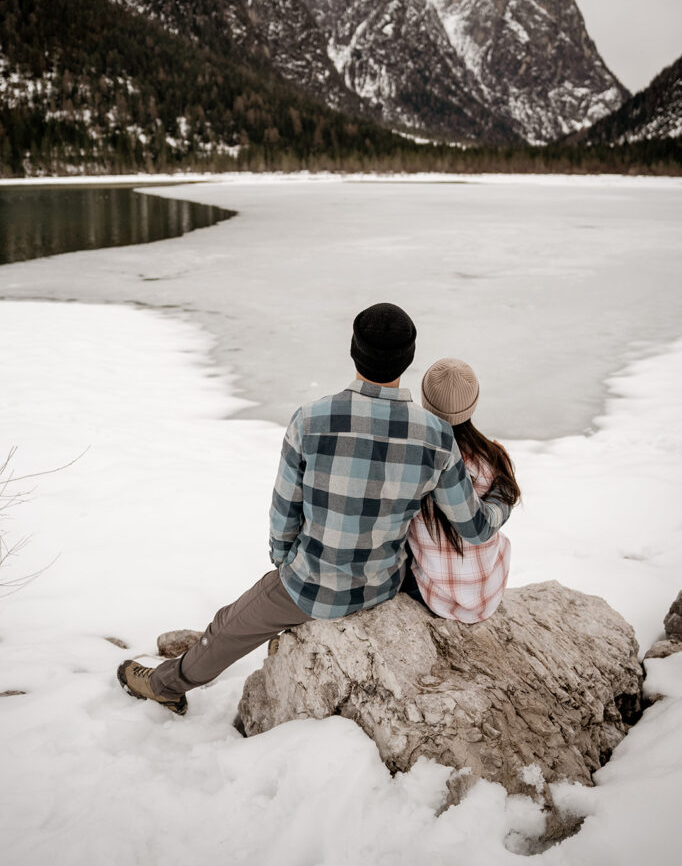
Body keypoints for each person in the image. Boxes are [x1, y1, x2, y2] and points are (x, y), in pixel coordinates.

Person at [117, 304, 512, 714]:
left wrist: (286, 566)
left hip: (313, 584)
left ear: (354, 352)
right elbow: (475, 529)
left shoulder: (310, 420)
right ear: (409, 358)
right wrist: (501, 497)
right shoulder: (435, 437)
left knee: (227, 627)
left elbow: (284, 513)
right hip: (383, 586)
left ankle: (165, 685)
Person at [402, 358, 520, 621]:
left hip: (434, 597)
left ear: (424, 399)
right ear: (473, 403)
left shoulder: (414, 460)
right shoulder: (494, 456)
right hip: (487, 593)